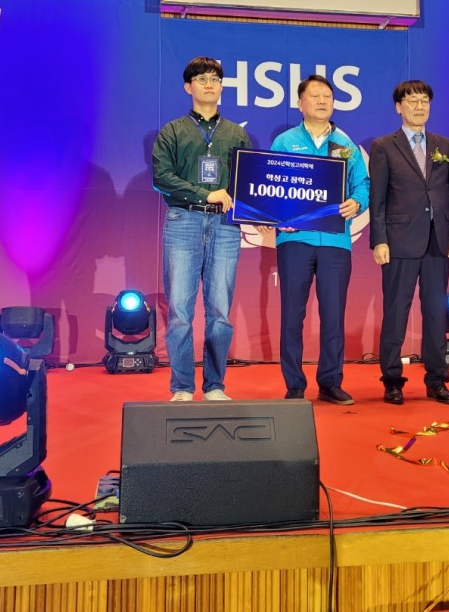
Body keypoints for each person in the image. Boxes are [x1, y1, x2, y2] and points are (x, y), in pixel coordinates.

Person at [262, 74, 369, 405]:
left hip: (335, 240)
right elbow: (271, 185)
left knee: (333, 315)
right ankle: (294, 384)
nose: (322, 101)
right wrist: (279, 217)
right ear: (300, 103)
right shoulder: (285, 141)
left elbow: (362, 184)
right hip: (295, 239)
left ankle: (330, 382)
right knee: (292, 315)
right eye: (315, 95)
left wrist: (357, 202)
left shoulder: (346, 145)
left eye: (328, 96)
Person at [152, 56, 250, 402]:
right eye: (202, 79)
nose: (210, 85)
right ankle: (181, 386)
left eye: (215, 79)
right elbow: (162, 178)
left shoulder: (237, 133)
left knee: (220, 311)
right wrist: (205, 193)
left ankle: (214, 385)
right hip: (184, 220)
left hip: (225, 226)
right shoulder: (172, 131)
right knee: (180, 310)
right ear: (188, 87)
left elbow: (248, 182)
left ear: (222, 87)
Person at [369, 79, 449, 405]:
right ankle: (392, 380)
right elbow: (378, 199)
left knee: (436, 315)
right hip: (399, 241)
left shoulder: (444, 145)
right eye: (412, 101)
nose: (419, 106)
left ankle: (437, 380)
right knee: (396, 313)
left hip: (439, 241)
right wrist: (379, 241)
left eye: (424, 101)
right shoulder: (384, 146)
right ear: (399, 107)